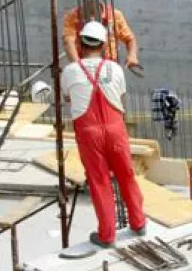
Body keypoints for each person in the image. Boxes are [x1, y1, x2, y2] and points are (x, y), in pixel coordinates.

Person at [61, 21, 147, 248]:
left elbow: (68, 98)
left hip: (89, 133)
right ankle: (138, 223)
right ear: (103, 45)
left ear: (80, 43)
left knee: (100, 181)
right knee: (126, 175)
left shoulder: (69, 71)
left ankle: (107, 235)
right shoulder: (115, 69)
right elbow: (121, 98)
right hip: (115, 128)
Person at [62, 0, 141, 73]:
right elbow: (68, 42)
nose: (89, 2)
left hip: (109, 67)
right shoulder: (73, 16)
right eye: (87, 0)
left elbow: (130, 39)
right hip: (84, 64)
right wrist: (79, 67)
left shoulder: (114, 15)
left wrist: (132, 56)